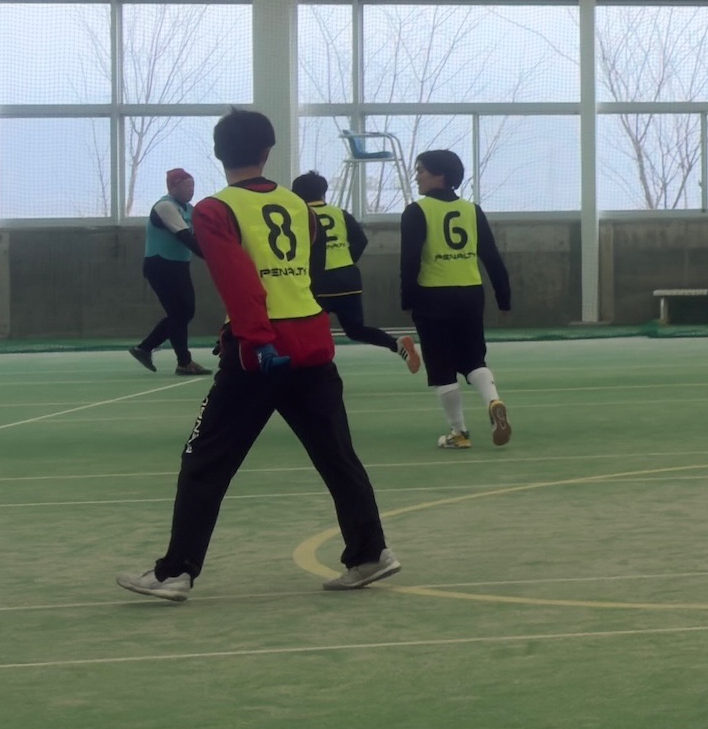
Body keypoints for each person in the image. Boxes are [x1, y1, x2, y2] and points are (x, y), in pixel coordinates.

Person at [119, 109, 395, 601]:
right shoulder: (301, 208)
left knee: (204, 460)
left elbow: (238, 279)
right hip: (313, 345)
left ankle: (175, 572)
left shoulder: (214, 209)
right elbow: (303, 275)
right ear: (268, 151)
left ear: (217, 153)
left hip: (259, 353)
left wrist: (255, 339)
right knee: (337, 455)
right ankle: (370, 552)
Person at [400, 149, 515, 450]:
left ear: (440, 175)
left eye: (421, 170)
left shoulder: (417, 211)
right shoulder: (472, 210)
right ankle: (493, 401)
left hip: (433, 296)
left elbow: (410, 260)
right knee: (474, 359)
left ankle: (459, 432)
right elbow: (492, 258)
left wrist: (407, 299)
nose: (417, 177)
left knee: (441, 366)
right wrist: (504, 297)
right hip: (470, 295)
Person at [294, 171, 420, 370]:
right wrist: (346, 260)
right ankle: (396, 344)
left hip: (318, 282)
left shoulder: (300, 216)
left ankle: (312, 369)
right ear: (323, 192)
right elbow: (361, 240)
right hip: (348, 280)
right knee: (355, 329)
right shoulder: (340, 213)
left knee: (305, 327)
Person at [131, 166, 210, 376]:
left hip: (179, 266)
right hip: (160, 265)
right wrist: (213, 257)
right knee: (179, 313)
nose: (191, 190)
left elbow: (202, 236)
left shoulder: (189, 209)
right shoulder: (165, 206)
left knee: (185, 312)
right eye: (186, 186)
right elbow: (185, 237)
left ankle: (145, 348)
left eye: (193, 185)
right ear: (173, 187)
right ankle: (183, 361)